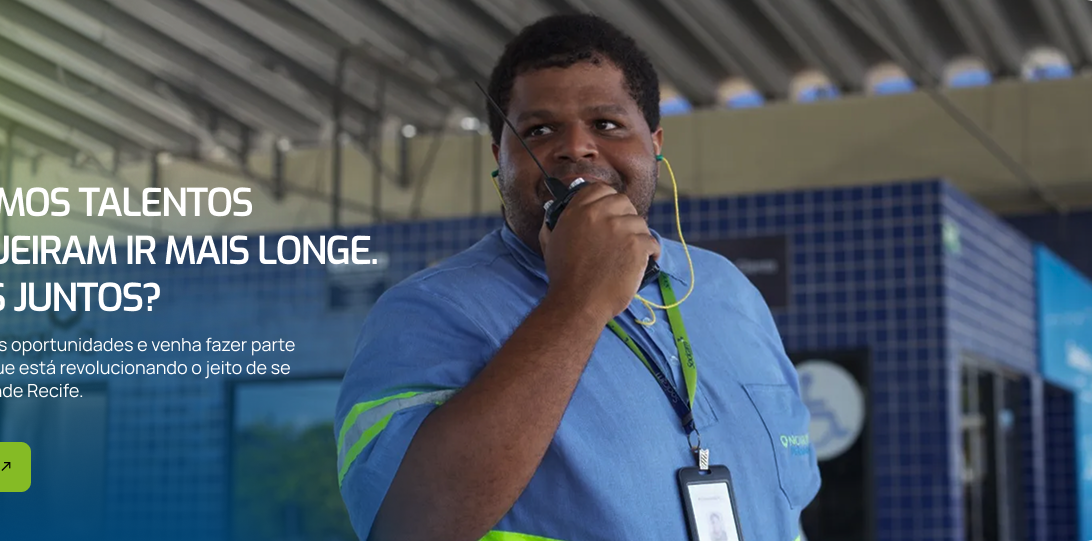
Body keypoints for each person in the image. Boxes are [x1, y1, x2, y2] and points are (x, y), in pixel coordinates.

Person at [334, 13, 820, 541]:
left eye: (606, 124)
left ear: (655, 143)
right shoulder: (428, 310)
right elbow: (409, 527)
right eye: (539, 130)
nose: (576, 148)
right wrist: (577, 300)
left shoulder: (727, 289)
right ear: (499, 158)